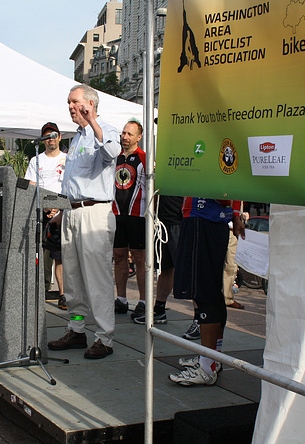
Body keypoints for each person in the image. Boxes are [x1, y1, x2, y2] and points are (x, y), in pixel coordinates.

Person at [47, 84, 120, 359]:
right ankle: (77, 331)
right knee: (73, 278)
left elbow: (112, 152)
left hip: (94, 213)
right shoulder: (76, 138)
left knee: (97, 277)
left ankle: (105, 337)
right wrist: (61, 213)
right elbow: (72, 182)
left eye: (74, 101)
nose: (70, 107)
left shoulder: (106, 129)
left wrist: (92, 121)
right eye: (68, 102)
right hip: (73, 212)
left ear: (90, 103)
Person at [169, 197, 245, 386]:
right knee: (211, 291)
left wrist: (234, 214)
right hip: (207, 219)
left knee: (204, 293)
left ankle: (207, 366)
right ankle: (211, 358)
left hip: (202, 218)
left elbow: (226, 189)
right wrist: (235, 215)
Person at [24, 122, 67, 309]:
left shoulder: (68, 159)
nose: (50, 139)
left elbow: (70, 185)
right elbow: (30, 185)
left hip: (62, 211)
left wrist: (59, 208)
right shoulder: (36, 160)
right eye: (47, 136)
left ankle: (63, 294)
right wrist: (44, 207)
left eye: (53, 135)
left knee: (60, 255)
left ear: (59, 137)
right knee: (39, 253)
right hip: (41, 211)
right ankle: (40, 289)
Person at [111, 119, 148, 321]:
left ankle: (143, 301)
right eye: (123, 133)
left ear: (139, 137)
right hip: (117, 214)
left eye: (130, 134)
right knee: (118, 256)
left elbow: (153, 190)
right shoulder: (114, 157)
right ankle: (122, 299)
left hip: (138, 215)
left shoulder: (144, 158)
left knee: (140, 259)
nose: (125, 137)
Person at [132, 195, 183, 326]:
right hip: (161, 220)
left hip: (179, 219)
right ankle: (159, 309)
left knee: (186, 270)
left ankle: (200, 317)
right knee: (165, 267)